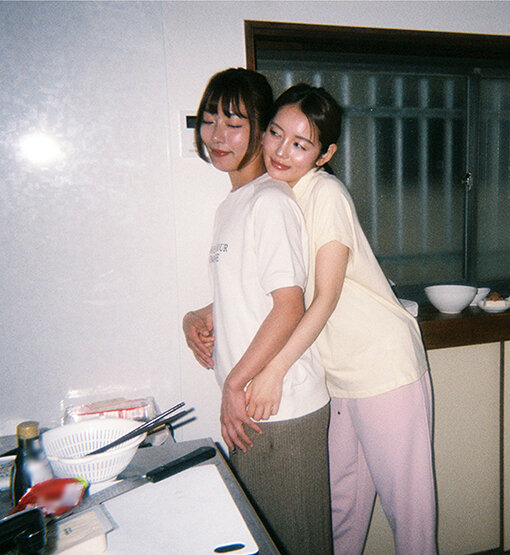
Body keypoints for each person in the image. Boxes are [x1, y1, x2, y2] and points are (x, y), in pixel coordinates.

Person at [247, 84, 438, 554]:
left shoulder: (325, 192)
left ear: (325, 153)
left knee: (409, 514)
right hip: (337, 374)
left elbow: (325, 298)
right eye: (275, 133)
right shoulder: (277, 196)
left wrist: (274, 370)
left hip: (382, 365)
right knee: (340, 510)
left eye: (300, 144)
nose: (281, 151)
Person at [181, 69, 332, 555]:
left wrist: (234, 384)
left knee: (293, 544)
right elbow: (251, 291)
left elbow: (288, 307)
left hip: (279, 407)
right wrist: (196, 316)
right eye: (209, 120)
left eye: (234, 124)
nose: (217, 136)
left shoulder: (269, 201)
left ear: (260, 129)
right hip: (251, 406)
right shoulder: (234, 204)